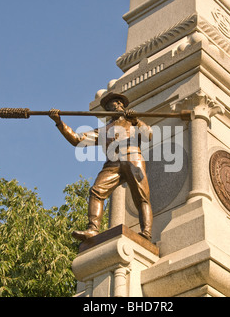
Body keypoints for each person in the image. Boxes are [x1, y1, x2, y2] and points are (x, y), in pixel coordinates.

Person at [49, 92, 153, 241]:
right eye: (113, 103)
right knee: (96, 191)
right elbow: (77, 140)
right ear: (108, 109)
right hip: (113, 163)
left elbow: (148, 135)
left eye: (119, 102)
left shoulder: (132, 122)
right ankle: (92, 229)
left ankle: (146, 232)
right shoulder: (103, 130)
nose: (118, 105)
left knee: (142, 196)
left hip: (132, 158)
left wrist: (136, 121)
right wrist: (59, 122)